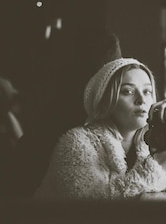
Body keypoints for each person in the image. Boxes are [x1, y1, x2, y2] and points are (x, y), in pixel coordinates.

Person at [34, 58, 166, 199]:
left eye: (147, 91)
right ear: (106, 101)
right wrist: (157, 168)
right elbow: (92, 206)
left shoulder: (150, 142)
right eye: (128, 91)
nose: (141, 100)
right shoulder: (77, 143)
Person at [6, 26, 122, 196]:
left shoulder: (54, 109)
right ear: (105, 70)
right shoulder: (78, 130)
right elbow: (97, 200)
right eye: (117, 69)